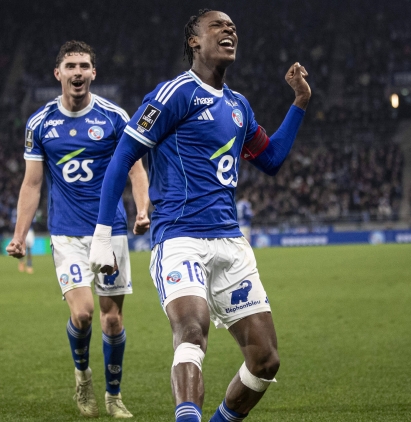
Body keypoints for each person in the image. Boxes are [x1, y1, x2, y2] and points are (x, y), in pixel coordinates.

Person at [89, 9, 311, 422]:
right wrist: (103, 233)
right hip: (180, 239)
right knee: (191, 332)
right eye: (217, 26)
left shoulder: (239, 106)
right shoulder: (175, 94)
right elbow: (123, 154)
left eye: (233, 27)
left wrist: (299, 102)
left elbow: (271, 159)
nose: (229, 30)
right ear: (194, 41)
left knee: (266, 361)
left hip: (231, 244)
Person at [6, 40, 150, 419]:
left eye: (84, 66)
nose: (78, 72)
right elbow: (32, 184)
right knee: (83, 313)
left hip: (111, 231)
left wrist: (142, 209)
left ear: (93, 73)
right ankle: (83, 375)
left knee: (112, 320)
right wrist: (19, 235)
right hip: (66, 233)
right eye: (70, 66)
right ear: (58, 73)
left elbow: (136, 169)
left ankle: (113, 395)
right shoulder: (39, 124)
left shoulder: (114, 117)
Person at [12, 208, 35, 274]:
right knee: (21, 247)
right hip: (21, 231)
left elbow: (34, 221)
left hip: (29, 231)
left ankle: (29, 265)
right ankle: (21, 262)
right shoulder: (16, 210)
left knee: (29, 249)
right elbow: (13, 221)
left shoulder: (31, 209)